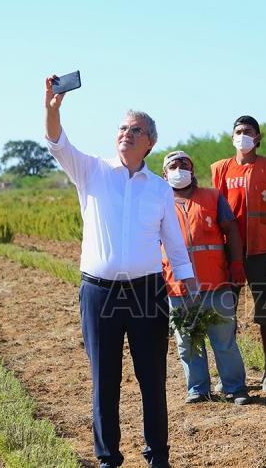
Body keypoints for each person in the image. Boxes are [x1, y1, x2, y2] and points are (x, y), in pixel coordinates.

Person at [44, 75, 197, 468]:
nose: (127, 133)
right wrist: (52, 108)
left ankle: (157, 456)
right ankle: (108, 458)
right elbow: (57, 143)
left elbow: (175, 245)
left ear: (150, 142)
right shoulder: (92, 172)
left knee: (152, 379)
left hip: (147, 293)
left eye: (136, 130)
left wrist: (189, 283)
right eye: (123, 128)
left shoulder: (160, 189)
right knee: (104, 381)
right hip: (99, 293)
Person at [161, 150, 251, 406]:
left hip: (216, 282)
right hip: (177, 287)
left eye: (184, 165)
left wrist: (236, 264)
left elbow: (231, 229)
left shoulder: (212, 197)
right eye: (173, 166)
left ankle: (235, 388)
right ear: (164, 174)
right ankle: (198, 389)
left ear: (192, 170)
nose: (179, 170)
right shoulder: (159, 203)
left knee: (223, 340)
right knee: (188, 341)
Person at [211, 115, 266, 392]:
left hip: (261, 251)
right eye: (239, 131)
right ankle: (227, 374)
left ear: (258, 137)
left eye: (248, 131)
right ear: (232, 137)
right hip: (230, 253)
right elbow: (215, 210)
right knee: (224, 314)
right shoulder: (220, 169)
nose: (243, 136)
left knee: (265, 311)